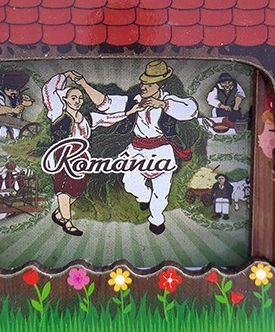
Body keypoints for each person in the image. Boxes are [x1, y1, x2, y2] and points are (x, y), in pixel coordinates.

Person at [76, 60, 199, 235]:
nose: (143, 87)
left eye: (149, 84)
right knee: (130, 184)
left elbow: (191, 110)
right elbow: (105, 103)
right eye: (143, 83)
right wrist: (83, 84)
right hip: (137, 149)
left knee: (161, 191)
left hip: (162, 150)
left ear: (161, 84)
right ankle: (144, 196)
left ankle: (156, 219)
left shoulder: (169, 100)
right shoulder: (135, 100)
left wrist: (163, 105)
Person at [41, 72, 94, 236]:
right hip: (64, 154)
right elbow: (49, 89)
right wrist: (65, 75)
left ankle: (59, 214)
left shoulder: (84, 118)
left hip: (82, 156)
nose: (77, 101)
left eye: (80, 98)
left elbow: (105, 119)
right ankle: (68, 223)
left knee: (77, 189)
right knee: (64, 187)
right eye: (73, 98)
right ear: (65, 99)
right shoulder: (58, 112)